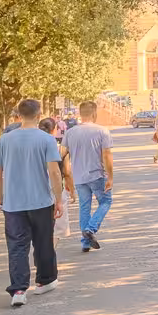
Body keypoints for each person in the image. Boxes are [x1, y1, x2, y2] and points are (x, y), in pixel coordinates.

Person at [0, 98, 65, 306]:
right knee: (43, 242)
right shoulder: (46, 139)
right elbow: (54, 172)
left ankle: (19, 289)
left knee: (17, 246)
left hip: (13, 203)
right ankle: (44, 280)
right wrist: (58, 199)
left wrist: (0, 198)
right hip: (40, 200)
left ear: (18, 115)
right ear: (39, 114)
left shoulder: (5, 140)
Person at [63, 101, 114, 253]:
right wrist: (110, 176)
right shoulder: (102, 131)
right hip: (97, 174)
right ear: (94, 113)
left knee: (84, 207)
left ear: (80, 113)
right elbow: (106, 155)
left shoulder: (70, 133)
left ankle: (85, 242)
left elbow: (63, 155)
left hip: (79, 176)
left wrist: (67, 177)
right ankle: (91, 229)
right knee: (105, 201)